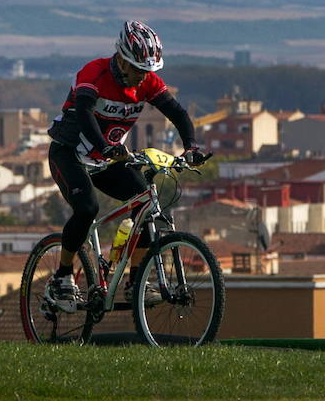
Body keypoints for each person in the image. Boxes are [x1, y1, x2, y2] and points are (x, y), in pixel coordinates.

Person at [44, 20, 208, 312]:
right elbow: (84, 112)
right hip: (69, 152)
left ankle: (136, 281)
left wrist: (191, 146)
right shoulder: (94, 72)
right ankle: (62, 276)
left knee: (146, 205)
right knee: (87, 209)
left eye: (149, 72)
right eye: (138, 70)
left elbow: (177, 113)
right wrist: (104, 146)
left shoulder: (147, 82)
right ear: (121, 59)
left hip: (108, 158)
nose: (143, 78)